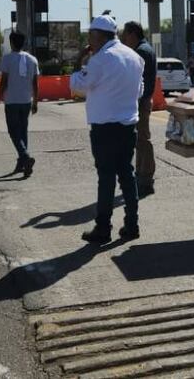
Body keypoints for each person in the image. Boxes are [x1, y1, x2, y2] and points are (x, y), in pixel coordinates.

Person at [70, 15, 145, 245]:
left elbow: (78, 86)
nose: (88, 40)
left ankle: (103, 228)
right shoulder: (134, 56)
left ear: (98, 35)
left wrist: (78, 62)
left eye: (90, 35)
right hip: (128, 125)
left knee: (106, 178)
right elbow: (139, 91)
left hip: (104, 129)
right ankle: (132, 225)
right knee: (127, 175)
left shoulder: (100, 59)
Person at [0, 32, 39, 178]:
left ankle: (25, 157)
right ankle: (23, 165)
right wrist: (35, 101)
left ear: (11, 43)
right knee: (23, 131)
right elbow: (35, 83)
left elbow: (4, 81)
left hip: (12, 101)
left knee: (13, 132)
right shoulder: (32, 59)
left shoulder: (7, 59)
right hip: (26, 101)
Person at [119, 20, 157, 196]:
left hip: (141, 102)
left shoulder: (141, 51)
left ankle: (146, 179)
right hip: (141, 101)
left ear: (133, 34)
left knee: (142, 140)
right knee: (140, 141)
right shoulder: (144, 49)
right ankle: (141, 176)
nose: (123, 39)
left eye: (125, 35)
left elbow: (141, 81)